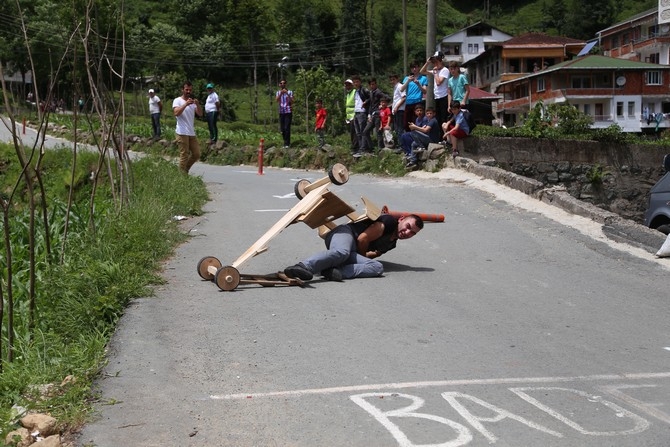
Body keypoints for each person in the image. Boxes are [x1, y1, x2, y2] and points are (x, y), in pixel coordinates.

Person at [283, 213, 424, 281]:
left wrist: (365, 258)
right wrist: (360, 257)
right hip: (344, 233)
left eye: (412, 233)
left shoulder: (391, 244)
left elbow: (372, 255)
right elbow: (363, 239)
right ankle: (303, 267)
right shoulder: (388, 223)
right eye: (408, 227)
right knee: (343, 252)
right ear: (401, 220)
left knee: (377, 267)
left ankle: (334, 271)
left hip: (353, 250)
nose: (407, 233)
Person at [172, 81, 203, 173]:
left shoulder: (193, 102)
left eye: (190, 90)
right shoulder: (177, 100)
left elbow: (200, 114)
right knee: (184, 154)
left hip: (191, 132)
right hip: (181, 132)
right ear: (182, 90)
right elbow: (176, 113)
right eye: (186, 89)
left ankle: (185, 170)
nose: (188, 91)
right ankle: (181, 175)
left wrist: (197, 104)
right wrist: (185, 104)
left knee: (197, 154)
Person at [420, 51, 450, 128]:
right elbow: (422, 71)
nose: (435, 63)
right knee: (438, 119)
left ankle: (445, 138)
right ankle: (439, 138)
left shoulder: (445, 70)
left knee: (444, 119)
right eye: (434, 62)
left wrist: (435, 72)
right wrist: (427, 63)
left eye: (437, 61)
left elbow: (439, 82)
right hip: (437, 97)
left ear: (441, 60)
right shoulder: (435, 70)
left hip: (444, 97)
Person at [400, 62, 428, 132]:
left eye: (416, 67)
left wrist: (418, 84)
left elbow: (425, 91)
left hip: (418, 102)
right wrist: (408, 81)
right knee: (407, 123)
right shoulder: (407, 78)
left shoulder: (423, 78)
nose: (414, 69)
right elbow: (401, 89)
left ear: (419, 67)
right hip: (408, 102)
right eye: (412, 68)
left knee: (417, 122)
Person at [362, 78, 386, 151]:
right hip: (372, 115)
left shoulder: (378, 92)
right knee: (365, 132)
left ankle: (380, 149)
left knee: (379, 132)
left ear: (376, 84)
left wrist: (382, 105)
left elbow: (387, 98)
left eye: (373, 84)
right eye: (371, 84)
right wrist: (369, 114)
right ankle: (372, 147)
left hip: (378, 114)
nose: (372, 86)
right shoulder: (371, 92)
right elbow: (371, 105)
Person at [351, 75, 370, 157]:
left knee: (363, 131)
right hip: (356, 112)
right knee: (358, 132)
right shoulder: (355, 91)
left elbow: (370, 98)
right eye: (354, 82)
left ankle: (364, 148)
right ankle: (360, 148)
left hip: (362, 112)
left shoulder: (364, 90)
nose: (355, 83)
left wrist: (365, 102)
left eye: (357, 81)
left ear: (360, 82)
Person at [276, 79, 294, 148]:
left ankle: (287, 143)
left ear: (286, 84)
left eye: (284, 83)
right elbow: (277, 100)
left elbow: (292, 101)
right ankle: (285, 142)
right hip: (281, 112)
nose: (282, 84)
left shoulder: (290, 92)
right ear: (279, 84)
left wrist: (286, 93)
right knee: (282, 129)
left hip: (288, 111)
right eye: (281, 83)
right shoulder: (278, 92)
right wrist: (281, 93)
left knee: (287, 128)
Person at [389, 74, 406, 141]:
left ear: (397, 79)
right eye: (391, 80)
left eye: (393, 79)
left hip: (400, 110)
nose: (392, 81)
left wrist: (396, 107)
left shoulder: (399, 86)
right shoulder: (395, 87)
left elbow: (404, 97)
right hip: (396, 110)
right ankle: (400, 144)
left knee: (399, 128)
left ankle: (402, 145)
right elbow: (397, 100)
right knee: (396, 128)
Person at [344, 79, 359, 153]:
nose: (347, 86)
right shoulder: (348, 94)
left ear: (352, 85)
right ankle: (354, 146)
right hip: (349, 116)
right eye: (346, 85)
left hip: (354, 115)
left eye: (349, 85)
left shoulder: (354, 92)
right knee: (352, 132)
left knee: (354, 132)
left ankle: (356, 148)